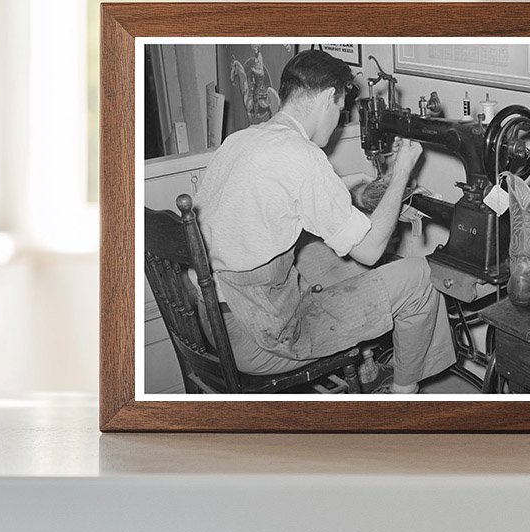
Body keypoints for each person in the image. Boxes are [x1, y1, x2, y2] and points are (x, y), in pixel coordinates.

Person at [195, 49, 455, 394]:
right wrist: (402, 171)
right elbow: (371, 250)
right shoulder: (303, 157)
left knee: (320, 256)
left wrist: (350, 186)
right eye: (340, 109)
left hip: (215, 320)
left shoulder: (242, 140)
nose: (338, 121)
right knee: (419, 275)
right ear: (326, 98)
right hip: (261, 339)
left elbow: (287, 198)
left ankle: (366, 367)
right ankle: (402, 400)